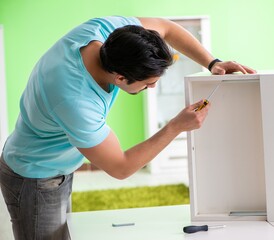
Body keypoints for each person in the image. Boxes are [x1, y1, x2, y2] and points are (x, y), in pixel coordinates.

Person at [0, 16, 256, 240]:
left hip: (58, 165)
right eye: (148, 83)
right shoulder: (75, 101)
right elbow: (120, 167)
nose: (152, 88)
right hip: (35, 175)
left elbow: (166, 28)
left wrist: (212, 63)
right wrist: (175, 127)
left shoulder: (110, 31)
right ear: (121, 77)